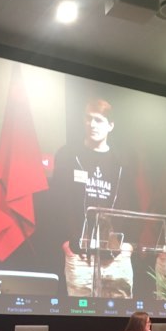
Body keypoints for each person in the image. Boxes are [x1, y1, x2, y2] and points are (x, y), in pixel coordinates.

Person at [51, 97, 137, 298]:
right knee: (80, 313)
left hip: (116, 256)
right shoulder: (68, 156)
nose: (92, 124)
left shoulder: (122, 163)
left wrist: (129, 245)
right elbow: (56, 203)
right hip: (79, 254)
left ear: (110, 125)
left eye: (98, 120)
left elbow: (133, 205)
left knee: (120, 314)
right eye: (88, 118)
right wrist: (66, 243)